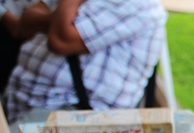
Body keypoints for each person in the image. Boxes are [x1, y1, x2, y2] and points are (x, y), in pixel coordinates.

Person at [3, 0, 167, 125]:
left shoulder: (137, 4)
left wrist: (58, 18)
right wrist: (60, 18)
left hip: (73, 116)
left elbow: (60, 39)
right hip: (26, 105)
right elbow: (24, 23)